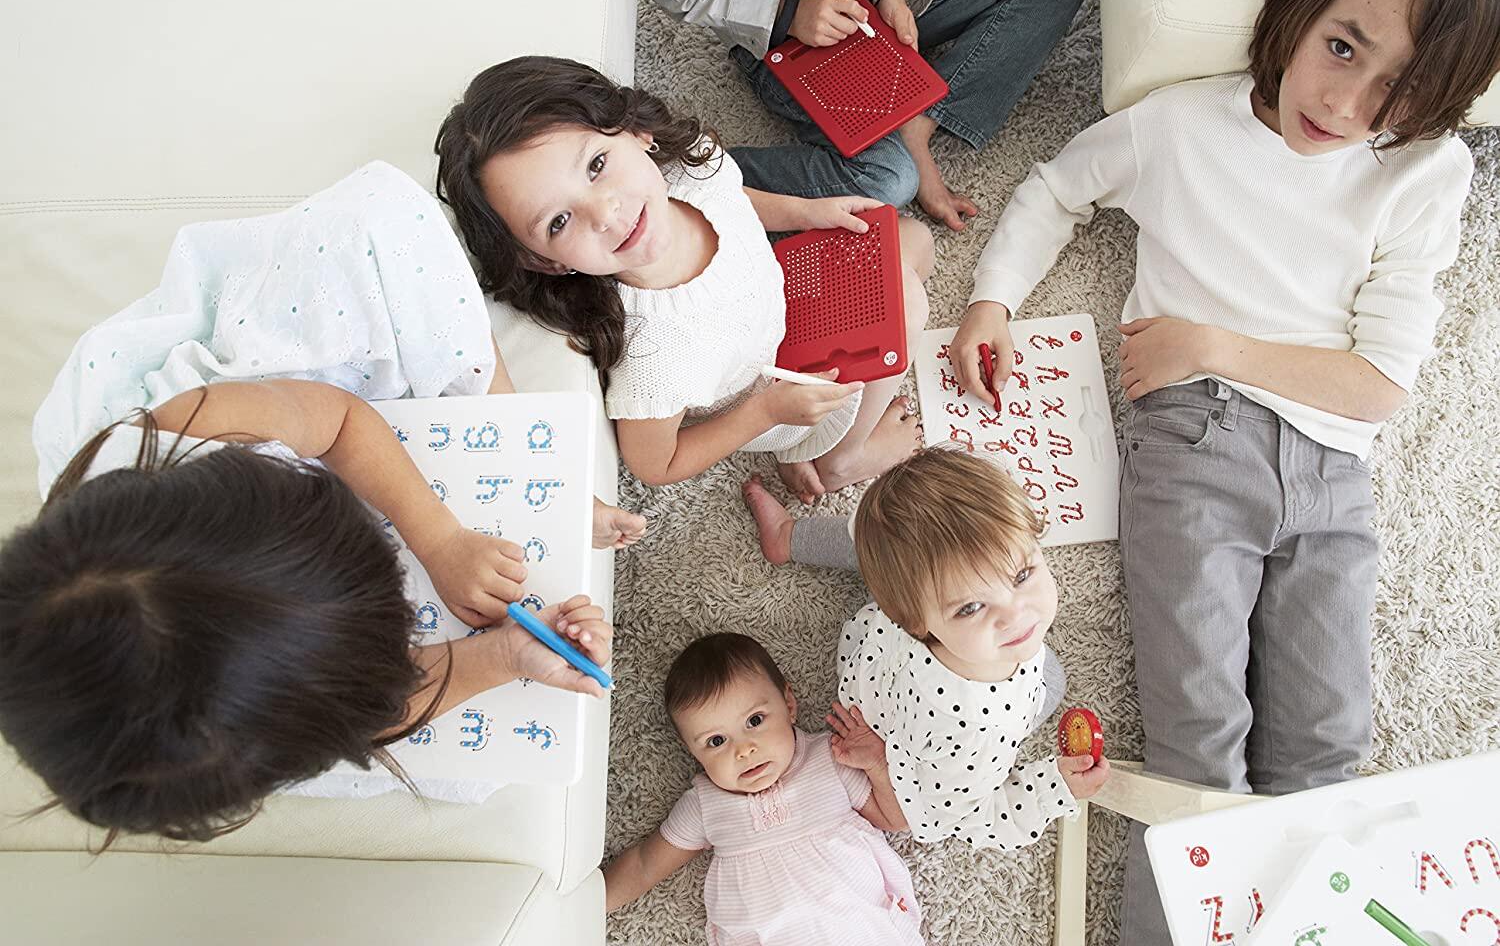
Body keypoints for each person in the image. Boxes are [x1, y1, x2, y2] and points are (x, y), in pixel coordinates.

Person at [942, 0, 1500, 938]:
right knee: (1200, 740)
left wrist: (1214, 344)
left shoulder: (1426, 169)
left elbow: (1379, 387)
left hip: (1333, 469)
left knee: (1326, 750)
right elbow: (1057, 187)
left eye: (1399, 86)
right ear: (1300, 6)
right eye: (1341, 47)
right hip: (1195, 439)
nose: (1347, 102)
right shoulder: (1179, 126)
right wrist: (991, 301)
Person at [0, 379, 612, 844]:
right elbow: (372, 715)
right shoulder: (208, 746)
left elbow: (340, 420)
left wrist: (438, 538)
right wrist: (502, 656)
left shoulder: (196, 427)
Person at [435, 56, 932, 502]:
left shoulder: (688, 170)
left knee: (913, 241)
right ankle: (839, 457)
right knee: (907, 298)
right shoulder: (654, 355)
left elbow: (733, 197)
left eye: (597, 165)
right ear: (545, 262)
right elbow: (655, 465)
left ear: (636, 133)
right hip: (784, 388)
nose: (605, 213)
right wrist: (766, 413)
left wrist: (805, 211)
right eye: (559, 222)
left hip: (777, 299)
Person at [743, 447, 1110, 846]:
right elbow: (971, 817)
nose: (1015, 615)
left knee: (887, 542)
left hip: (875, 657)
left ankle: (790, 536)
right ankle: (791, 537)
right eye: (971, 608)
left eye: (1021, 575)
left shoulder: (921, 607)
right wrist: (1056, 788)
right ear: (914, 623)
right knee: (1053, 678)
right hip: (900, 739)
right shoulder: (973, 738)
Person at [640, 0, 1090, 230]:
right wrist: (787, 14)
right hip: (788, 44)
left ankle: (919, 123)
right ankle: (700, 174)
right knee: (889, 180)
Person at [603, 632, 924, 945]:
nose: (744, 750)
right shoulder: (705, 805)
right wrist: (591, 901)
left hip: (864, 930)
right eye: (716, 741)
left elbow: (894, 820)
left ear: (788, 704)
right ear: (693, 753)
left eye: (755, 721)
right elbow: (645, 865)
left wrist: (877, 766)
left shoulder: (829, 758)